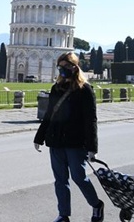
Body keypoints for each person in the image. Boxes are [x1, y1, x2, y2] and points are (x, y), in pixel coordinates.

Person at [33, 52, 104, 222]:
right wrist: (39, 137)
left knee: (79, 177)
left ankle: (96, 205)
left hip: (75, 142)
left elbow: (90, 120)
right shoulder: (56, 88)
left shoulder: (85, 89)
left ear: (75, 67)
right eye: (60, 67)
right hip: (56, 140)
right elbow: (49, 115)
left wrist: (92, 147)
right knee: (60, 180)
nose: (62, 70)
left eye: (66, 66)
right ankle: (63, 215)